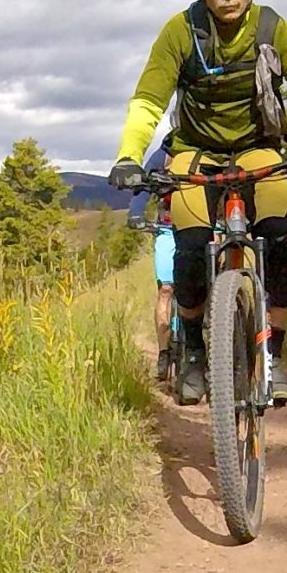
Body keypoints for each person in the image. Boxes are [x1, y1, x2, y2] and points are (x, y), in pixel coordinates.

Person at [108, 0, 287, 407]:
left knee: (280, 233)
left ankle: (273, 353)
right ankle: (196, 350)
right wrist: (128, 156)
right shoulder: (180, 32)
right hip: (194, 153)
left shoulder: (271, 29)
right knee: (191, 242)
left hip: (257, 149)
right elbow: (148, 102)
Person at [123, 132, 176, 385]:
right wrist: (136, 213)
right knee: (166, 289)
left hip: (209, 227)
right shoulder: (164, 153)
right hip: (168, 228)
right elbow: (143, 185)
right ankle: (165, 351)